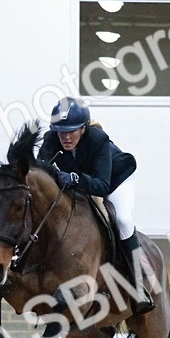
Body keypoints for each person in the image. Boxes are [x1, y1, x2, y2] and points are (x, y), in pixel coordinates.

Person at [38, 96, 155, 315]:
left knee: (122, 219)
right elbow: (40, 172)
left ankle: (139, 285)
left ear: (83, 128)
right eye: (61, 131)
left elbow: (102, 185)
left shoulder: (98, 140)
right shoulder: (51, 140)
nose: (65, 137)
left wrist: (74, 178)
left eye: (71, 131)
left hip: (116, 180)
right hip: (83, 181)